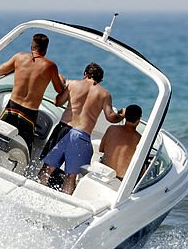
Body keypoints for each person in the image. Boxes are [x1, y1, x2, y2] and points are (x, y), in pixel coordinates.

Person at [38, 62, 124, 194]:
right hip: (82, 135)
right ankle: (65, 202)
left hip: (64, 128)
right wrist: (122, 114)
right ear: (100, 79)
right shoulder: (104, 94)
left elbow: (58, 102)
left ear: (85, 74)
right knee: (71, 176)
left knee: (47, 168)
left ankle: (37, 193)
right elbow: (111, 117)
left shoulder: (72, 84)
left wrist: (62, 86)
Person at [0, 33, 64, 150]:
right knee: (23, 148)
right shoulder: (50, 66)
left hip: (12, 107)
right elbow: (59, 89)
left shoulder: (19, 57)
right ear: (46, 49)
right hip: (29, 113)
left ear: (32, 47)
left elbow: (0, 71)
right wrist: (60, 78)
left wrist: (17, 68)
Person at [100, 103, 142, 180]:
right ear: (138, 120)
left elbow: (101, 149)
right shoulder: (139, 139)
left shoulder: (111, 129)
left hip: (104, 174)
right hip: (122, 180)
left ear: (125, 117)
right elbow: (140, 164)